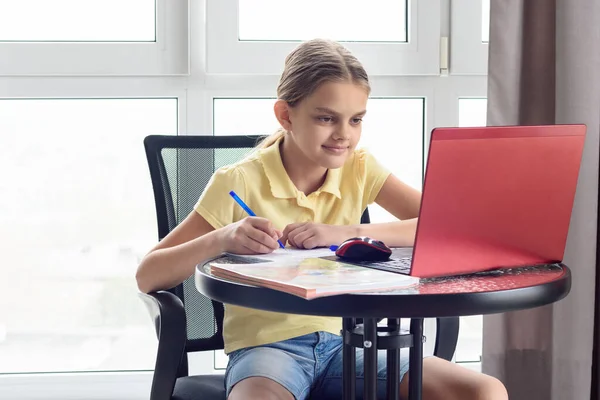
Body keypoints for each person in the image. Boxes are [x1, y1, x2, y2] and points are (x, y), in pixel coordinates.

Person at [136, 38, 508, 400]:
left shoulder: (359, 168)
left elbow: (451, 228)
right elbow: (148, 274)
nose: (344, 135)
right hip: (267, 353)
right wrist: (221, 239)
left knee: (483, 391)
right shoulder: (238, 181)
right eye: (326, 118)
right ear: (286, 115)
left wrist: (346, 231)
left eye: (356, 119)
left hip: (352, 344)